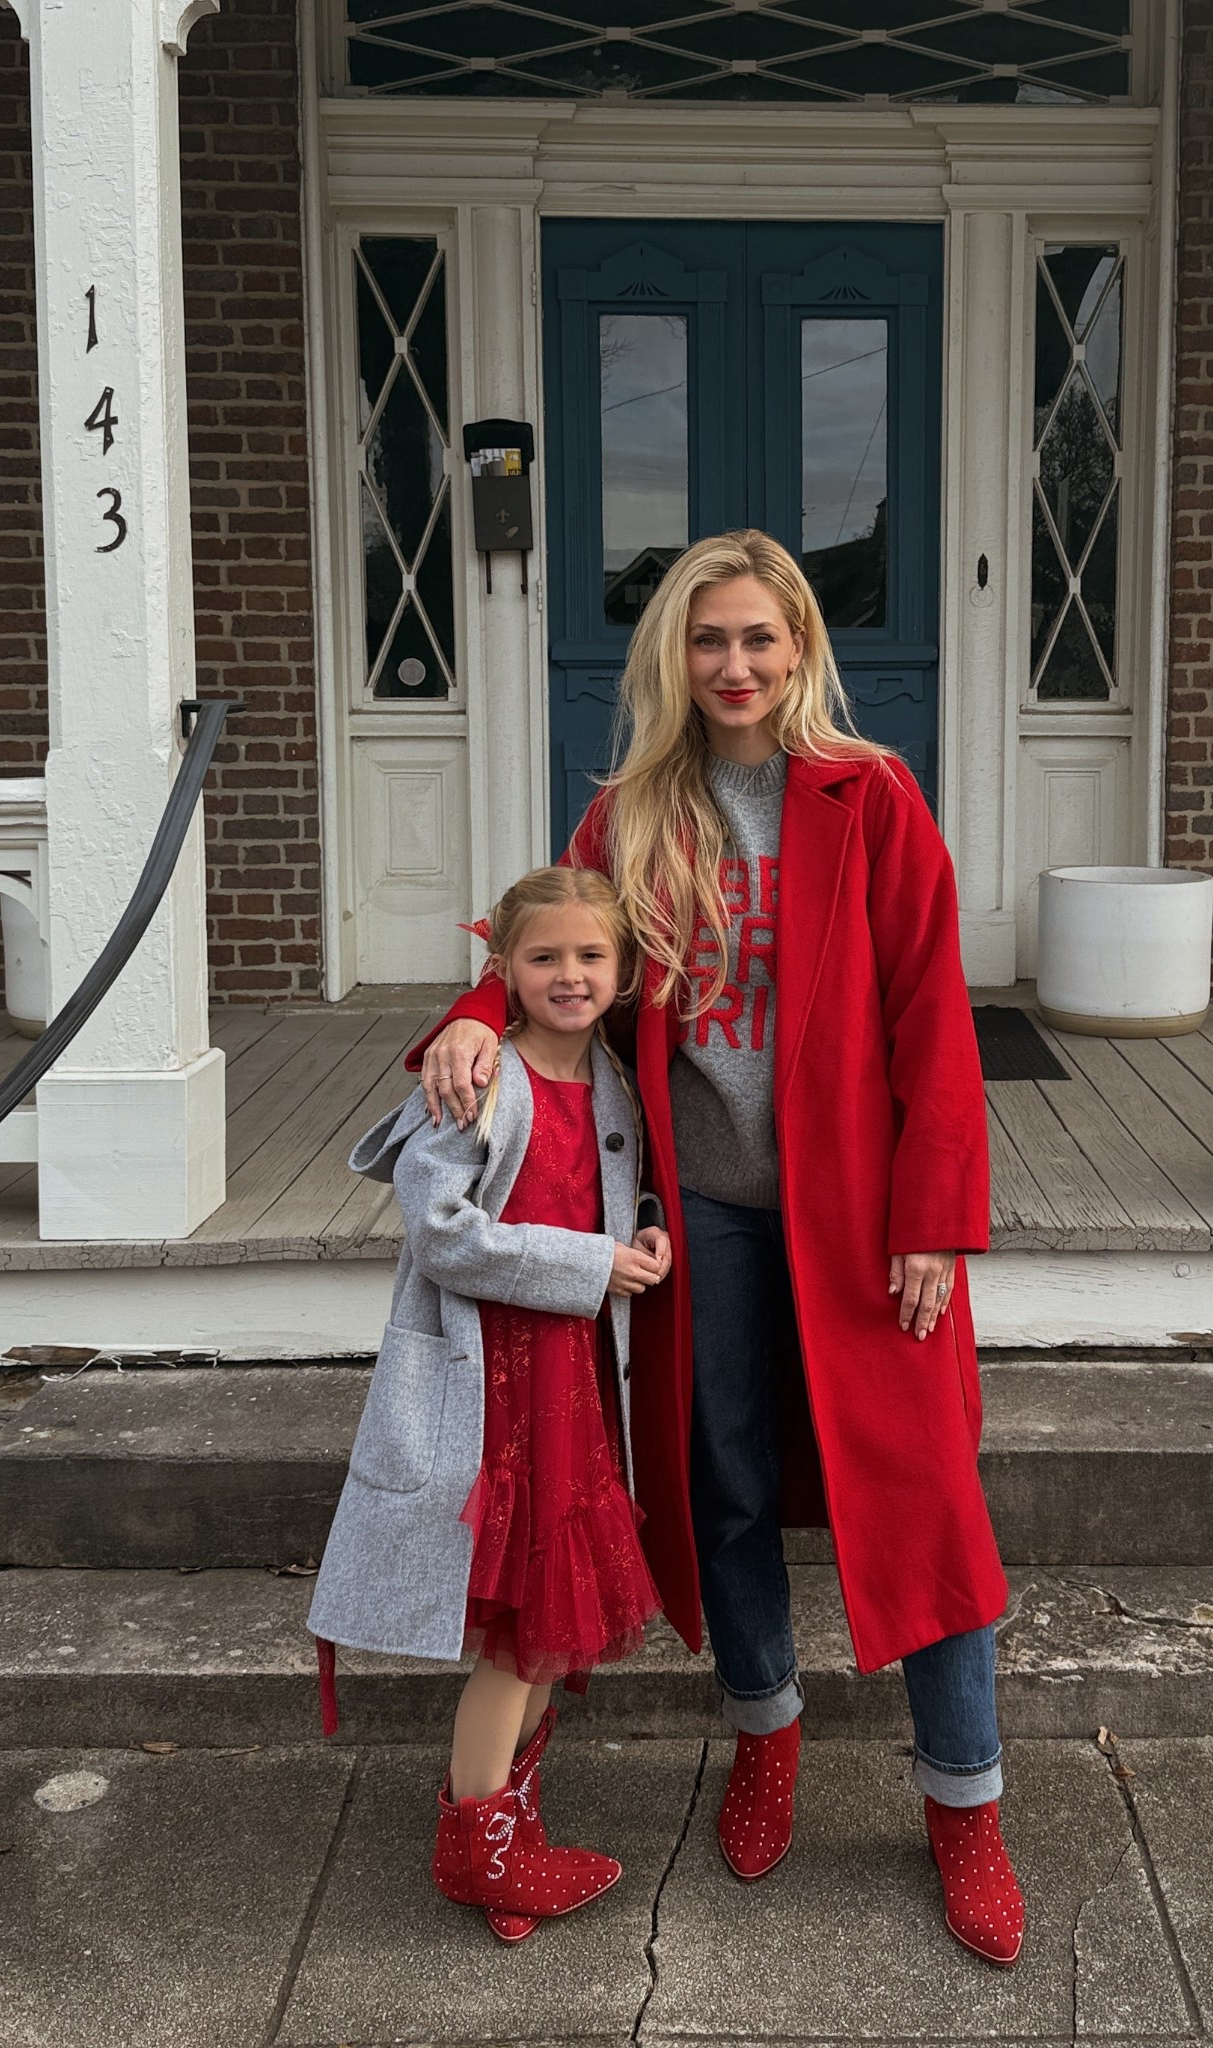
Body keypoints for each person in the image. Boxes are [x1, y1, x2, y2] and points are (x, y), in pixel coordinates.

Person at [409, 530, 1024, 1966]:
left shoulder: (869, 798)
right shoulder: (631, 815)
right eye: (707, 641)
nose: (734, 665)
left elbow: (935, 1015)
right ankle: (767, 1737)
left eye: (758, 637)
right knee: (726, 1481)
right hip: (700, 1220)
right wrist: (474, 1019)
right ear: (671, 659)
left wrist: (937, 1213)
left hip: (860, 1218)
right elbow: (545, 954)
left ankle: (966, 1808)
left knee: (929, 1499)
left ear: (800, 646)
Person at [309, 866, 669, 1942]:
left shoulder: (610, 1077)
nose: (570, 974)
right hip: (497, 1392)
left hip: (571, 1393)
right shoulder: (478, 1083)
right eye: (545, 956)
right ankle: (480, 1848)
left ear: (623, 969)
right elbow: (443, 1232)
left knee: (549, 1632)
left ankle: (508, 1829)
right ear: (502, 969)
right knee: (518, 1636)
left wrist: (640, 1231)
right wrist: (591, 1261)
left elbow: (623, 1189)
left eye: (590, 956)